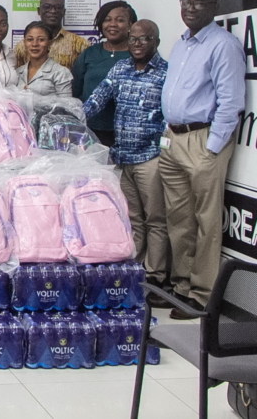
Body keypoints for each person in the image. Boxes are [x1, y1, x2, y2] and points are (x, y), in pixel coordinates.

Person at [160, 0, 245, 318]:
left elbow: (231, 102)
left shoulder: (223, 45)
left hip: (202, 140)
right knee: (178, 220)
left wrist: (211, 149)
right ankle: (180, 286)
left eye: (199, 3)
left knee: (206, 221)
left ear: (214, 7)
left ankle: (202, 294)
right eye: (186, 2)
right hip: (173, 140)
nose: (190, 8)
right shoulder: (181, 45)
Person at [82, 20, 169, 305]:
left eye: (144, 39)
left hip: (151, 158)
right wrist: (71, 118)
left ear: (155, 40)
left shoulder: (166, 73)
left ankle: (155, 276)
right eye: (133, 39)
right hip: (122, 155)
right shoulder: (120, 69)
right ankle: (137, 271)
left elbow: (171, 115)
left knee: (156, 219)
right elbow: (98, 99)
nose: (138, 44)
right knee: (131, 218)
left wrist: (163, 149)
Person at [72, 1, 137, 147]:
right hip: (91, 131)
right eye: (107, 19)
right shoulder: (89, 53)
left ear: (131, 25)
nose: (112, 24)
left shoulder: (138, 54)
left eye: (120, 20)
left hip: (126, 133)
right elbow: (76, 91)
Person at [14, 0, 88, 69]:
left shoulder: (80, 45)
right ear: (39, 11)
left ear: (64, 12)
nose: (53, 11)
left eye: (58, 7)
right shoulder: (22, 47)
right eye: (47, 7)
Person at [16, 21, 73, 96]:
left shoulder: (60, 73)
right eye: (30, 39)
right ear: (24, 42)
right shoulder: (18, 72)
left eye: (41, 39)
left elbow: (67, 105)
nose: (34, 44)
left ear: (50, 43)